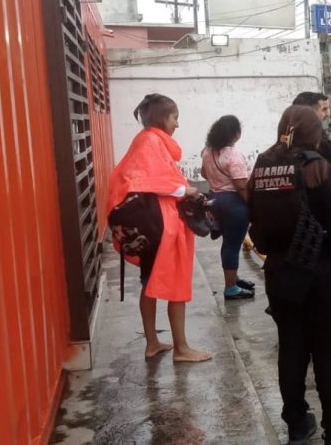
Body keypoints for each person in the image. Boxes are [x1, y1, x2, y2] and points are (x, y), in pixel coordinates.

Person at [248, 105, 331, 445]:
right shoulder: (318, 169)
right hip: (323, 276)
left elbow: (254, 220)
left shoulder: (262, 167)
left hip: (281, 275)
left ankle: (297, 425)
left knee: (292, 349)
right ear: (313, 133)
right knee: (327, 352)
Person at [107, 93, 212, 362]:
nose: (177, 123)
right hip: (163, 227)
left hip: (152, 225)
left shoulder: (145, 141)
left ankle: (153, 343)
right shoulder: (151, 142)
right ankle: (182, 348)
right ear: (162, 118)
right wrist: (187, 190)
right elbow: (152, 179)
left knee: (149, 282)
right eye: (174, 117)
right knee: (175, 283)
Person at [201, 115, 255, 300]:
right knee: (232, 244)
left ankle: (233, 277)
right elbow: (241, 185)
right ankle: (230, 288)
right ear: (236, 134)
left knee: (229, 241)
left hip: (215, 200)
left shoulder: (207, 151)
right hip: (234, 203)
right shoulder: (234, 155)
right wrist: (253, 205)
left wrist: (217, 182)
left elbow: (202, 172)